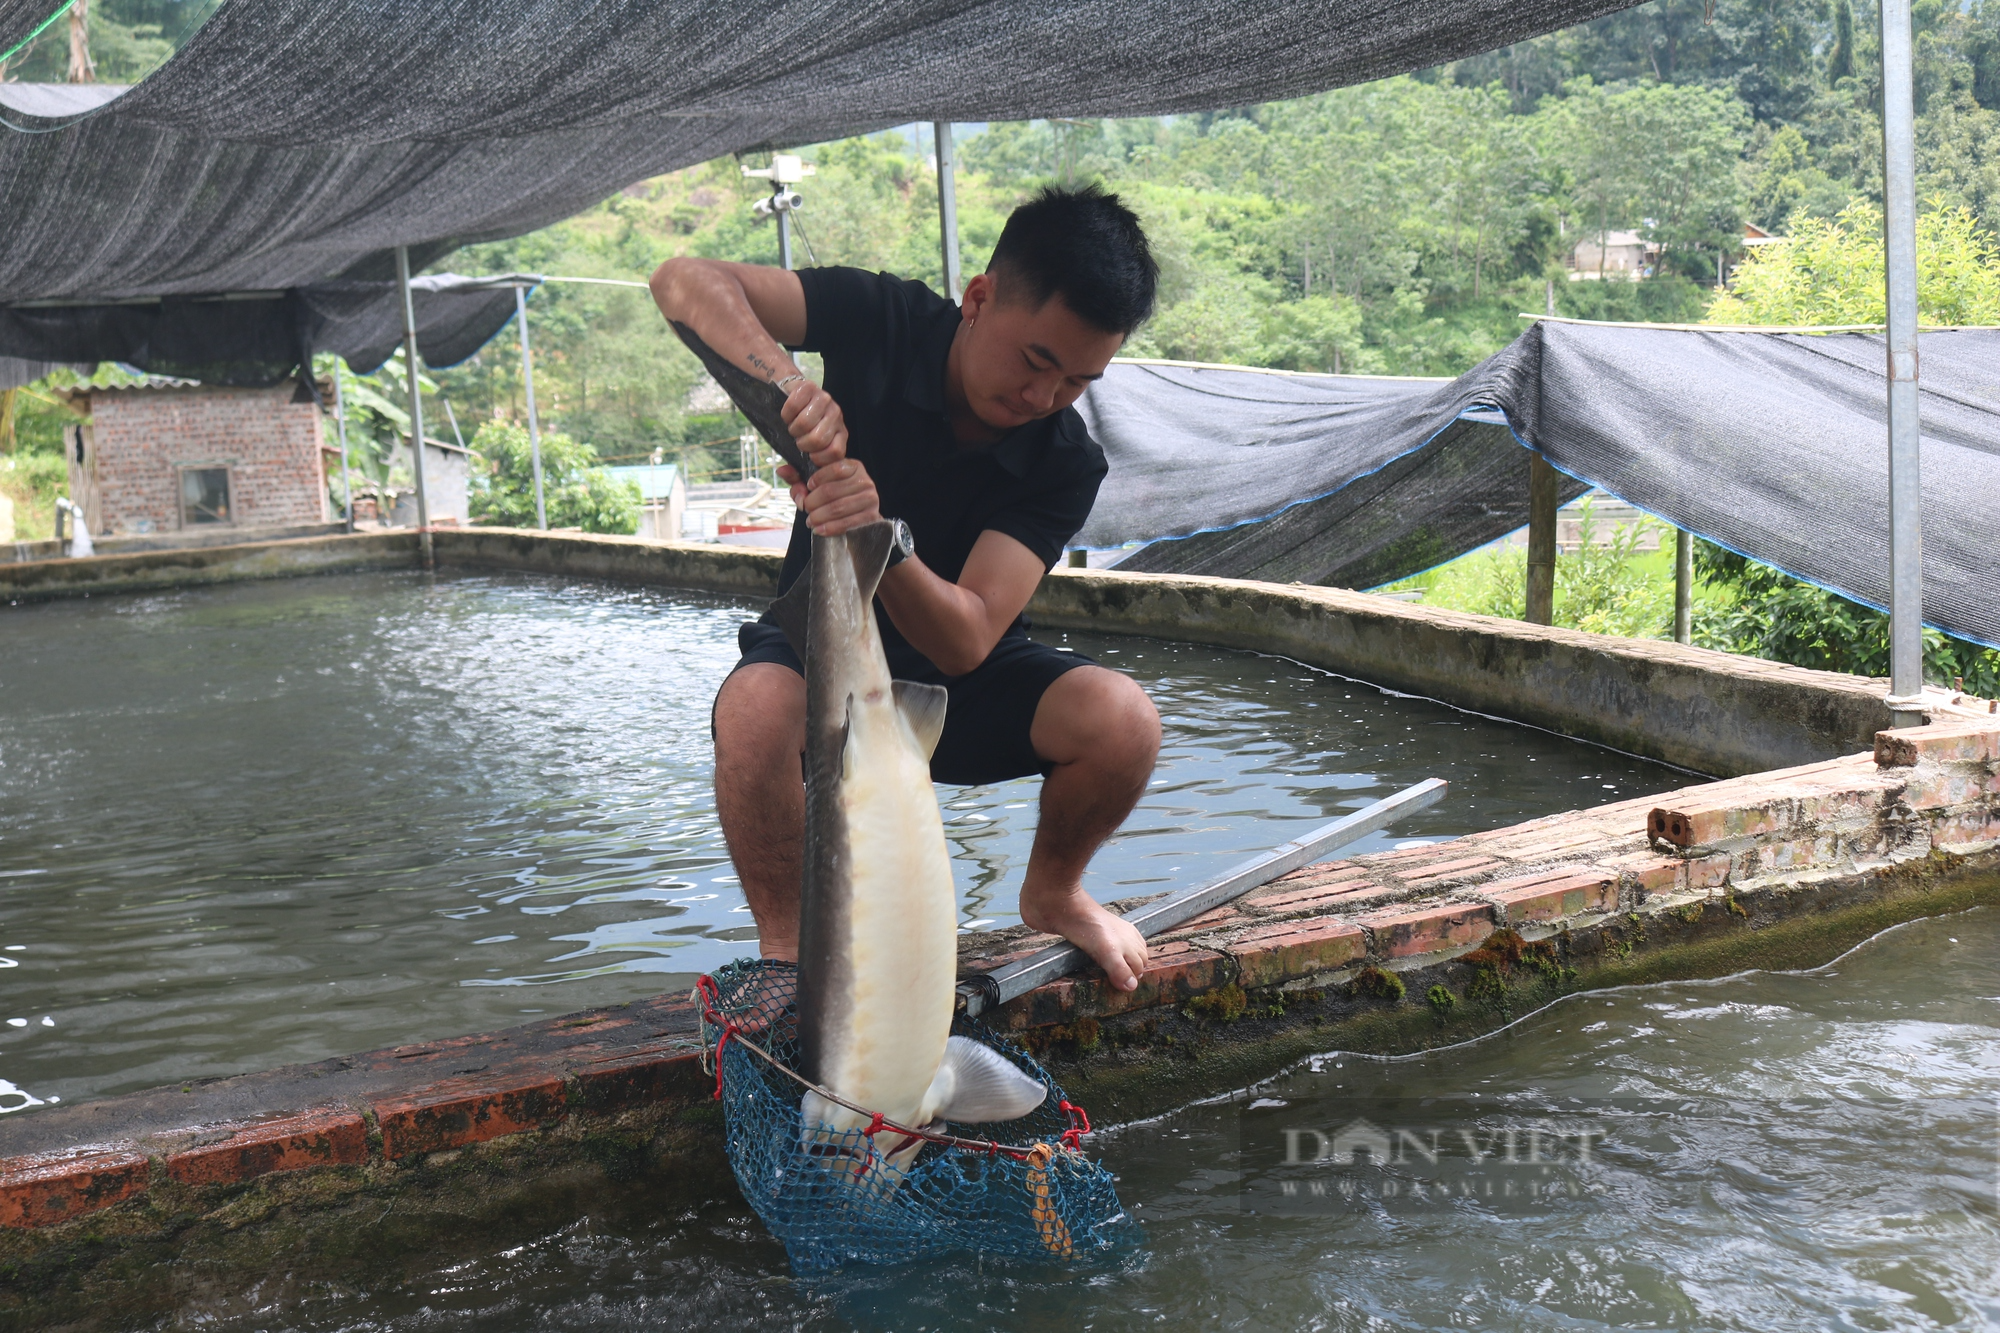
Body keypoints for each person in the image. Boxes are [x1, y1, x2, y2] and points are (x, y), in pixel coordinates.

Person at [650, 184, 1160, 993]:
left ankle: (1055, 891)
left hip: (957, 684)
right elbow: (683, 282)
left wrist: (876, 536)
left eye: (1076, 381)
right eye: (1036, 360)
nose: (1044, 398)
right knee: (752, 710)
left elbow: (968, 635)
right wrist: (790, 389)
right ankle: (789, 954)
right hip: (824, 656)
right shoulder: (882, 317)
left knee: (1124, 720)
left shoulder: (1065, 458)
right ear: (980, 298)